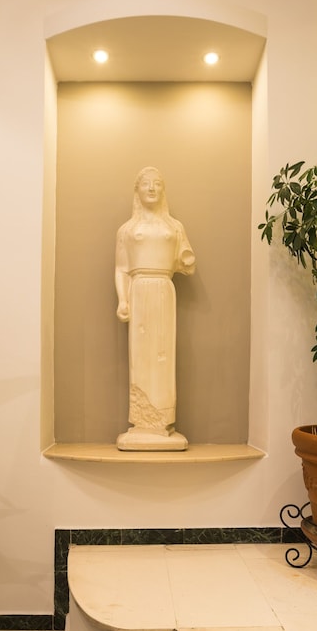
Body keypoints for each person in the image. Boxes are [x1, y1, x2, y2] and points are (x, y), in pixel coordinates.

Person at [115, 167, 195, 450]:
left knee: (163, 355)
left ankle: (162, 419)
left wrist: (184, 258)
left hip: (163, 289)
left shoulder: (174, 228)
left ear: (163, 190)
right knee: (141, 357)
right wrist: (123, 299)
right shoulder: (127, 230)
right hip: (139, 291)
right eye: (146, 184)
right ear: (137, 191)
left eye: (157, 183)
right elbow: (121, 268)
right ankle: (142, 420)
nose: (151, 188)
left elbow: (187, 262)